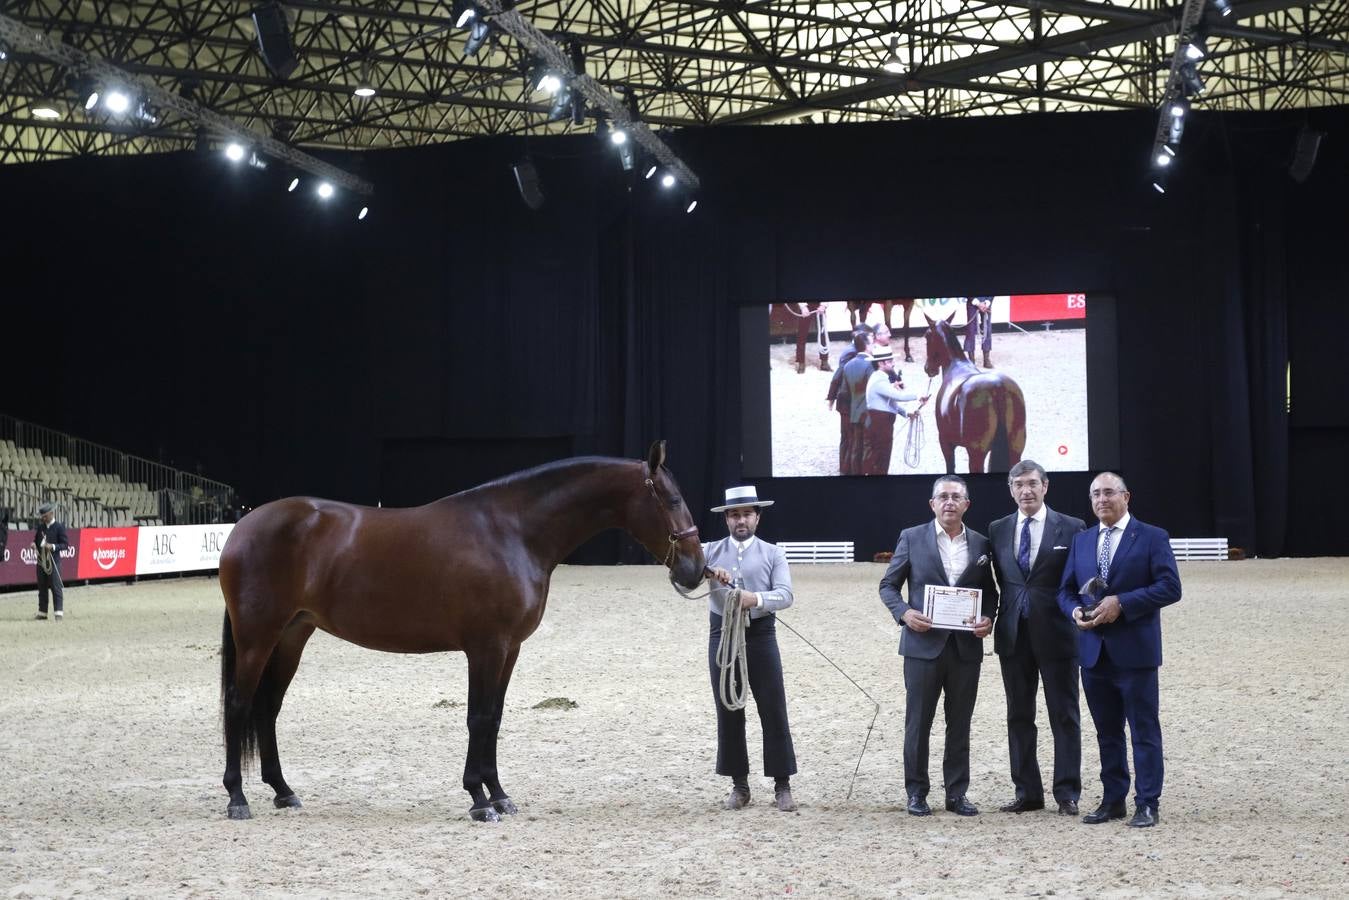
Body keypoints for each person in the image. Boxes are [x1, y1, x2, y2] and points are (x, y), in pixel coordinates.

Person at [1057, 472, 1181, 828]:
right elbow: (1065, 591)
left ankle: (1147, 803)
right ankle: (1113, 800)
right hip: (1093, 653)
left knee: (1143, 730)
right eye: (1095, 494)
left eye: (1109, 492)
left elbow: (1170, 587)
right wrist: (1074, 611)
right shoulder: (1082, 541)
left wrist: (1122, 603)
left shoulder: (1152, 537)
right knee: (1106, 732)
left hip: (1135, 653)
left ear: (1126, 496)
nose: (1102, 499)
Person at [879, 476, 998, 816]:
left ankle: (957, 794)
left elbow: (989, 593)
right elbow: (888, 585)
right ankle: (916, 792)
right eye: (942, 497)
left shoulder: (981, 544)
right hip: (922, 646)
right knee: (919, 722)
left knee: (960, 723)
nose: (949, 502)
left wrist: (988, 618)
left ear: (966, 504)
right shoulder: (912, 538)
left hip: (965, 649)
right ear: (932, 504)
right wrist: (904, 613)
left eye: (956, 497)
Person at [988, 460, 1086, 815]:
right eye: (1018, 484)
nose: (1026, 490)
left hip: (1059, 634)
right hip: (1013, 634)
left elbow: (1079, 580)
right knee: (1019, 715)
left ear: (1046, 486)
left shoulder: (1073, 528)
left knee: (1064, 714)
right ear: (1011, 489)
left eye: (1032, 483)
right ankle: (1027, 792)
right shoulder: (998, 529)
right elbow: (994, 582)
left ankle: (1067, 793)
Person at [702, 486, 799, 812]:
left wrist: (754, 599)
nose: (740, 520)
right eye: (734, 515)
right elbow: (681, 574)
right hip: (722, 635)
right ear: (726, 519)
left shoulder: (773, 553)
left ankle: (782, 784)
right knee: (728, 708)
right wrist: (706, 572)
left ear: (757, 517)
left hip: (760, 634)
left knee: (772, 707)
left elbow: (785, 595)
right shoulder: (709, 551)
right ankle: (739, 785)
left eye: (746, 514)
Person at [861, 346, 927, 475]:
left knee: (881, 456)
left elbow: (888, 401)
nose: (893, 364)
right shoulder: (879, 379)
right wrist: (918, 395)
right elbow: (898, 396)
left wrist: (905, 413)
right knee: (880, 458)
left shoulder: (880, 378)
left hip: (881, 423)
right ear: (881, 363)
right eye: (890, 361)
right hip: (880, 424)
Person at [826, 326, 872, 474]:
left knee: (849, 438)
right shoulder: (852, 353)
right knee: (849, 438)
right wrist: (831, 396)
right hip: (848, 403)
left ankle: (847, 469)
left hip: (849, 403)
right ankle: (846, 470)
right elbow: (839, 374)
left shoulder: (855, 350)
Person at [32, 502, 70, 621]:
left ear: (52, 513)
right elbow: (36, 541)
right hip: (41, 562)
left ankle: (58, 613)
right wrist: (34, 545)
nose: (43, 518)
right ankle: (42, 612)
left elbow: (65, 545)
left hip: (54, 562)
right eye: (42, 516)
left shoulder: (59, 527)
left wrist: (53, 546)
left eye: (45, 516)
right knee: (42, 587)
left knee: (55, 587)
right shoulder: (41, 527)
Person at [792, 302, 831, 373]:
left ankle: (824, 362)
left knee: (823, 333)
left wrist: (824, 305)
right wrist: (803, 307)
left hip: (820, 305)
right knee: (801, 334)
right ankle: (801, 363)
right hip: (805, 305)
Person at [963, 296, 994, 368]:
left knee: (987, 330)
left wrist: (987, 302)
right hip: (972, 301)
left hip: (986, 302)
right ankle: (971, 360)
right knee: (970, 330)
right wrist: (976, 302)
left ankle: (986, 360)